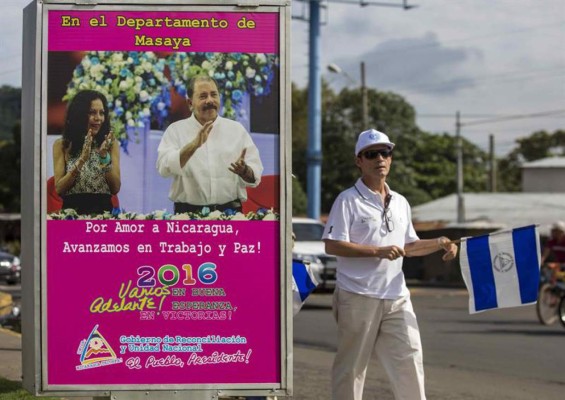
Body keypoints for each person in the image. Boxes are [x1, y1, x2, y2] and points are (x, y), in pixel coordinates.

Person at [322, 129, 458, 400]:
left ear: (391, 159)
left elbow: (408, 247)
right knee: (352, 369)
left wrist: (440, 242)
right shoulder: (347, 200)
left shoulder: (401, 202)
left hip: (397, 297)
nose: (380, 159)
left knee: (410, 360)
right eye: (372, 154)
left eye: (385, 153)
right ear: (359, 161)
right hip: (358, 296)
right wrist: (378, 251)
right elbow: (332, 244)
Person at [156, 74, 263, 214]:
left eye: (214, 95)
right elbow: (164, 168)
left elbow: (255, 175)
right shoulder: (175, 130)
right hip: (188, 217)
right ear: (190, 103)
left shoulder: (236, 130)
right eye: (203, 96)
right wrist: (194, 145)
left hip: (230, 215)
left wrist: (245, 171)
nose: (210, 100)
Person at [53, 90, 121, 215]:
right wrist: (81, 161)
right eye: (92, 112)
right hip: (72, 216)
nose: (98, 118)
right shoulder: (62, 145)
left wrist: (103, 157)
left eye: (102, 113)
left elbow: (115, 188)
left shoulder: (110, 144)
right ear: (79, 114)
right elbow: (59, 189)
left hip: (103, 217)